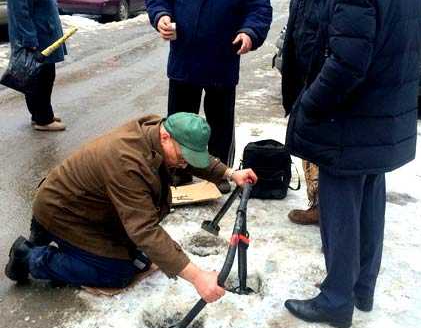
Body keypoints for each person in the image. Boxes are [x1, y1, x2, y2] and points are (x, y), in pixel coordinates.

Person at [284, 0, 421, 328]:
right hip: (384, 119)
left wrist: (308, 105)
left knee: (341, 207)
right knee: (370, 199)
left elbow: (345, 65)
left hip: (349, 122)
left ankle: (336, 299)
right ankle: (362, 288)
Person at [5, 112, 257, 303]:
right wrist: (198, 277)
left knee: (141, 259)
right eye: (183, 155)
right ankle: (30, 257)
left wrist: (228, 173)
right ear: (166, 136)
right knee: (116, 273)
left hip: (94, 208)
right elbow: (144, 229)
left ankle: (68, 250)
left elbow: (188, 160)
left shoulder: (158, 132)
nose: (184, 163)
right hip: (63, 213)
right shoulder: (127, 162)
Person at [145, 0, 272, 193]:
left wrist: (249, 33)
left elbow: (260, 10)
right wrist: (161, 16)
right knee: (178, 124)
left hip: (222, 64)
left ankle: (220, 176)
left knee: (220, 127)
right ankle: (177, 174)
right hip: (184, 63)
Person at [277, 0, 329, 226]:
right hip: (302, 82)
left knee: (320, 150)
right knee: (306, 147)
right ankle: (315, 203)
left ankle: (326, 207)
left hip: (321, 82)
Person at [7, 0, 66, 131]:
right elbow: (20, 12)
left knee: (42, 77)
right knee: (40, 78)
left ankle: (41, 114)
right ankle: (43, 119)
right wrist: (29, 40)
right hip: (36, 39)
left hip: (45, 35)